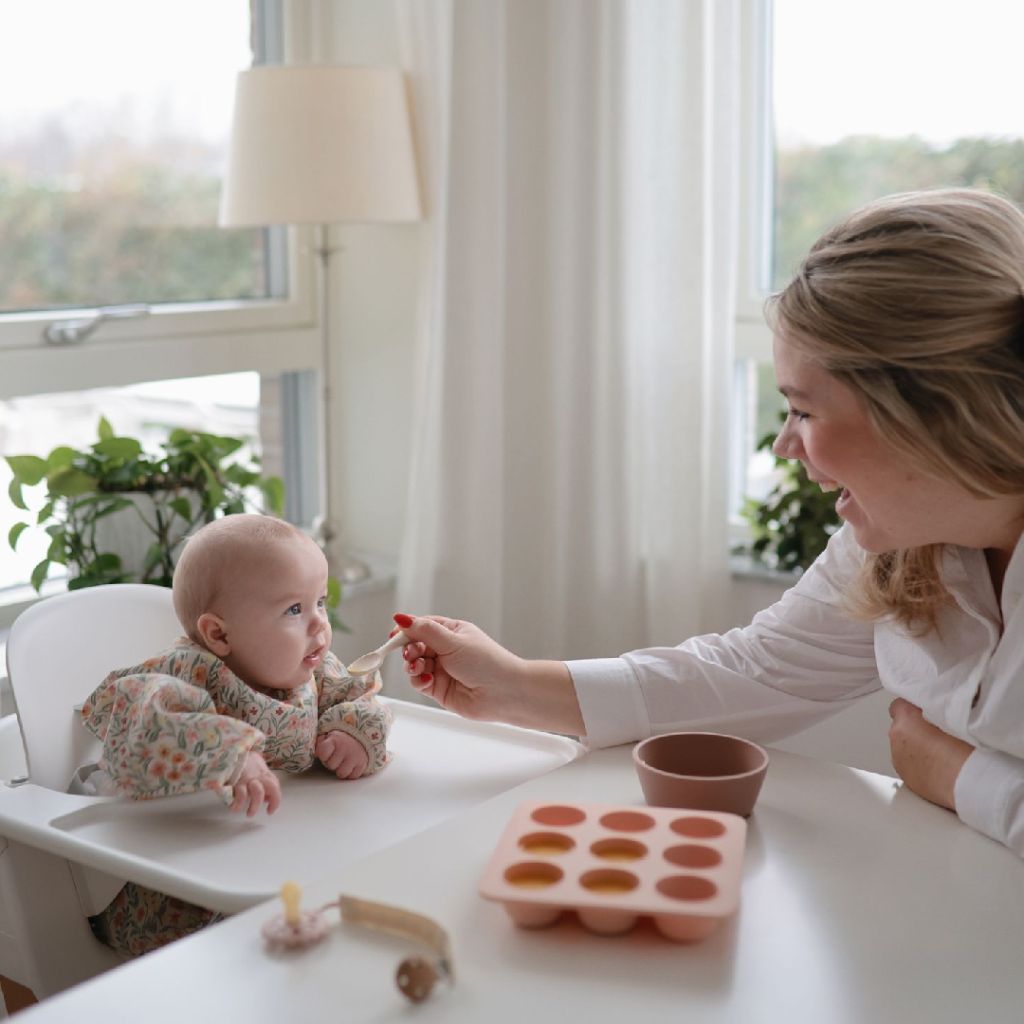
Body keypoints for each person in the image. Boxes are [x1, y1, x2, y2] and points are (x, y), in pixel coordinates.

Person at [393, 187, 1024, 860]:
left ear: (931, 415)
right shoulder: (898, 548)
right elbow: (757, 672)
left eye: (804, 411)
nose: (786, 444)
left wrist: (961, 777)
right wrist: (515, 686)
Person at [79, 514, 393, 955]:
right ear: (219, 633)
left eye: (319, 602)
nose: (320, 624)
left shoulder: (313, 668)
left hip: (284, 845)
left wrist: (354, 732)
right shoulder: (188, 671)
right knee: (236, 953)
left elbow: (359, 695)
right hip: (182, 879)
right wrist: (230, 752)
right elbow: (144, 726)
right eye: (294, 609)